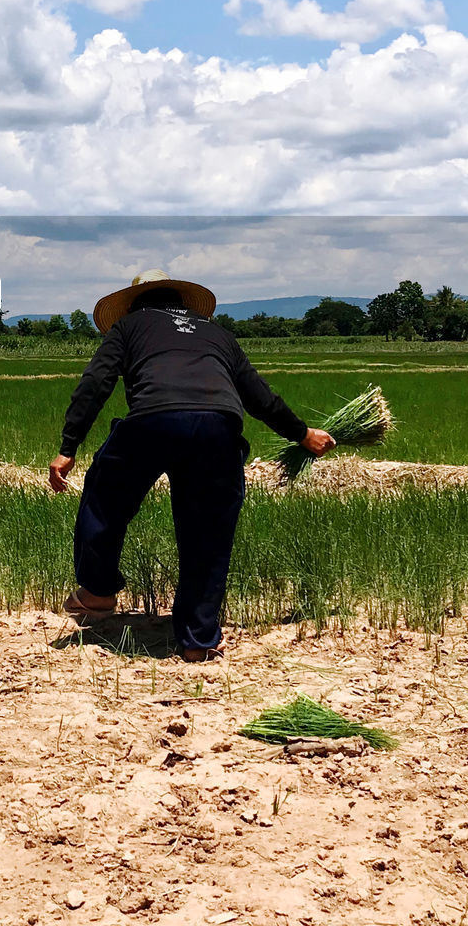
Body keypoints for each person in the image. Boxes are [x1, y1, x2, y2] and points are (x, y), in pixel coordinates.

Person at [49, 270, 335, 661]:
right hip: (219, 427)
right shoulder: (217, 334)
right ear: (182, 302)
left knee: (105, 498)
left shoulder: (128, 326)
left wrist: (69, 446)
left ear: (133, 303)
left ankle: (97, 591)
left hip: (154, 421)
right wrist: (302, 434)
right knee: (209, 533)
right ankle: (197, 642)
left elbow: (95, 382)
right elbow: (258, 395)